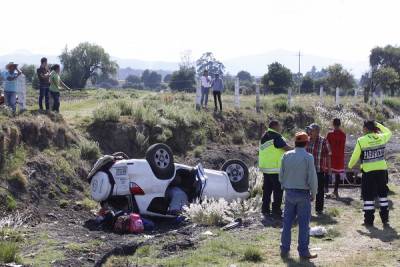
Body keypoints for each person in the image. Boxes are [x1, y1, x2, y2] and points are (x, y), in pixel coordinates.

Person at [279, 132, 318, 260]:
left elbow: (281, 175)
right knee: (303, 224)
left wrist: (284, 186)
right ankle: (303, 251)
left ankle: (284, 249)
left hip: (289, 192)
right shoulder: (308, 157)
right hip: (303, 194)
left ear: (295, 142)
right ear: (306, 143)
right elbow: (312, 177)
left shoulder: (286, 155)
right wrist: (314, 192)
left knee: (287, 223)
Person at [348, 120, 392, 227]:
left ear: (366, 129)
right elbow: (389, 132)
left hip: (368, 173)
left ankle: (368, 221)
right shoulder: (381, 137)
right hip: (382, 171)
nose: (362, 129)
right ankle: (385, 219)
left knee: (368, 196)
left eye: (363, 127)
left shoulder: (361, 140)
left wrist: (350, 165)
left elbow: (355, 156)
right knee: (383, 194)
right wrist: (378, 125)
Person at [259, 120, 292, 218]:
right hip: (275, 169)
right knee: (278, 191)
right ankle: (276, 210)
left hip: (266, 169)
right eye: (279, 125)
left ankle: (265, 209)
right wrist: (296, 149)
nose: (280, 127)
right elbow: (285, 147)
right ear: (275, 126)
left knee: (267, 190)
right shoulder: (276, 136)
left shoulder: (264, 136)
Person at [306, 123, 331, 215]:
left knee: (320, 191)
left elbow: (328, 155)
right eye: (309, 130)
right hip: (308, 171)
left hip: (319, 170)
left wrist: (329, 169)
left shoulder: (323, 141)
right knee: (306, 190)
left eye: (311, 130)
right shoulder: (307, 140)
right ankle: (306, 209)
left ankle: (319, 210)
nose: (309, 132)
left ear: (317, 131)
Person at [326, 118, 346, 198]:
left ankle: (326, 189)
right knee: (337, 174)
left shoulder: (330, 134)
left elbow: (327, 145)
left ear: (333, 124)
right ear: (340, 124)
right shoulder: (343, 134)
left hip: (331, 156)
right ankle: (335, 191)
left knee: (327, 171)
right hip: (340, 156)